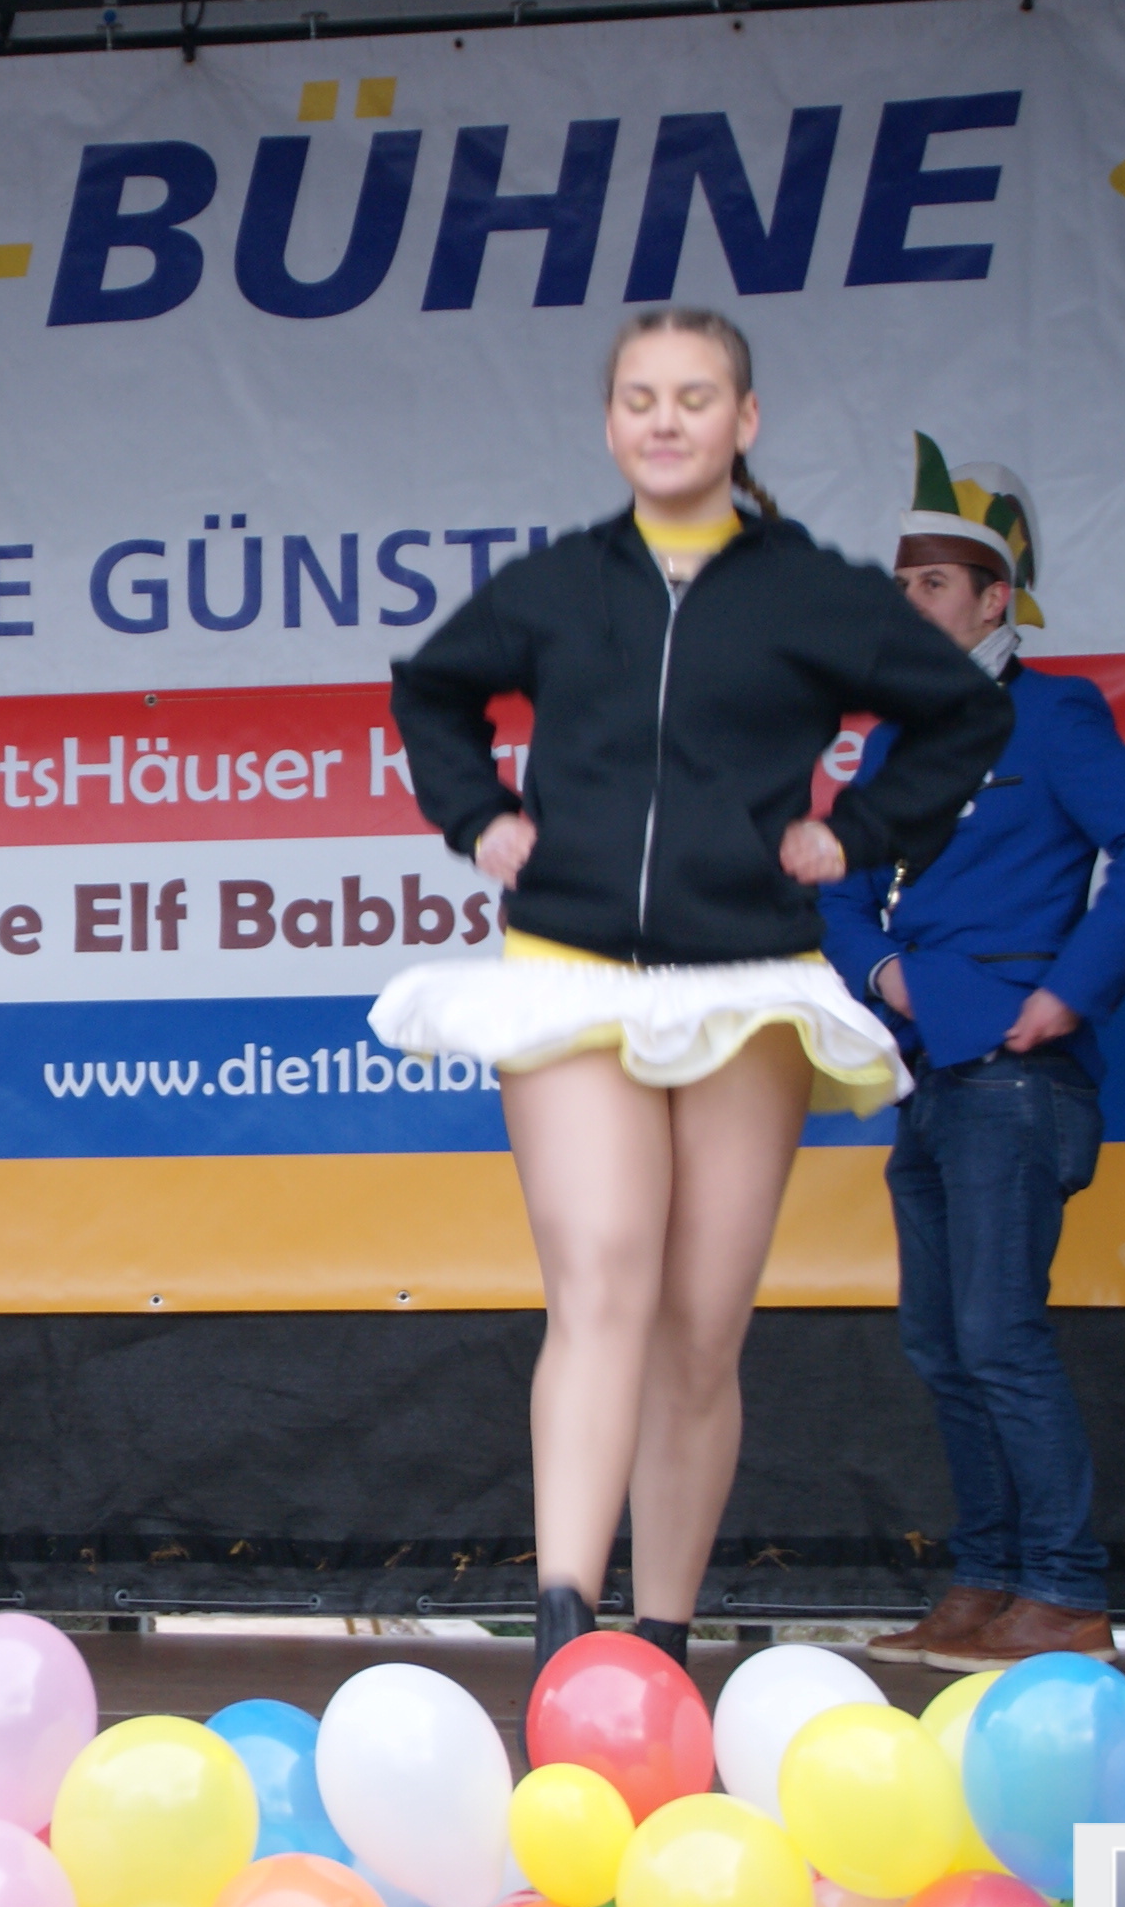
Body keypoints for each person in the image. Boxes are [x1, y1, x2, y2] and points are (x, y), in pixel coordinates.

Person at [375, 312, 1013, 1680]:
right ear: (611, 422)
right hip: (570, 974)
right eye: (640, 398)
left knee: (700, 1327)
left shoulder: (812, 591)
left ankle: (659, 1641)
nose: (664, 420)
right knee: (600, 1277)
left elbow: (964, 712)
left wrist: (855, 833)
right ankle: (564, 1627)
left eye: (694, 396)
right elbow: (430, 690)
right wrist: (478, 815)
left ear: (744, 419)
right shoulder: (559, 585)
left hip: (744, 982)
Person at [819, 436, 1125, 1669]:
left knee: (994, 1334)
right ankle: (983, 1581)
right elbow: (834, 891)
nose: (909, 601)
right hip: (929, 1073)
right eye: (899, 583)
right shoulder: (889, 745)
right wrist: (879, 974)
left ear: (994, 602)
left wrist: (1068, 993)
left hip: (1017, 1075)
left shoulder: (1053, 714)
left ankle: (1065, 1592)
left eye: (933, 583)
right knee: (939, 1344)